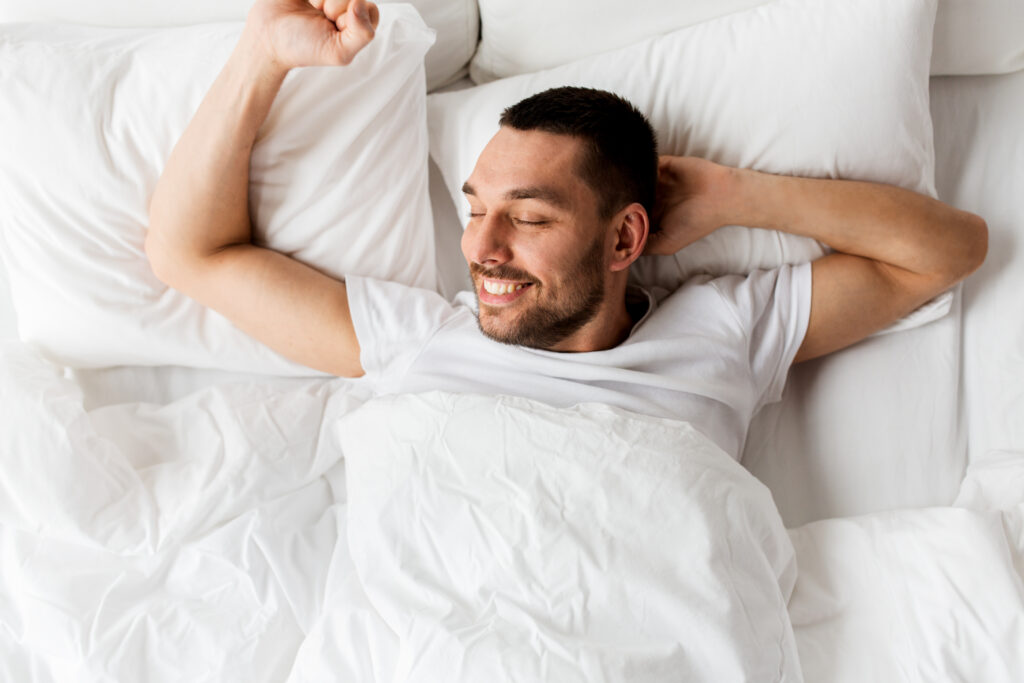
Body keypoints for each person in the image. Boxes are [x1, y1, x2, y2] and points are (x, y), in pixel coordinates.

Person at [146, 0, 987, 460]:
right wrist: (260, 55)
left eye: (528, 215)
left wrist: (735, 196)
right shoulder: (421, 336)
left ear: (625, 240)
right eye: (476, 209)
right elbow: (189, 252)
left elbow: (948, 251)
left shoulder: (724, 331)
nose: (479, 249)